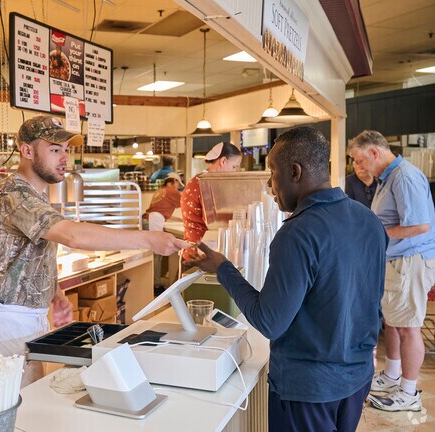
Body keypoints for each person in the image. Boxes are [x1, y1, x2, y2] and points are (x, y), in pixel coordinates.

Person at [187, 127, 388, 431]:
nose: (270, 185)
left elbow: (270, 321)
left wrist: (223, 268)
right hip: (357, 379)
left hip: (308, 391)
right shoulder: (368, 220)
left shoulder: (298, 233)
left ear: (294, 172)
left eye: (272, 173)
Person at [0, 115, 189, 386]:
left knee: (28, 400)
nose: (64, 158)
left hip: (27, 316)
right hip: (3, 319)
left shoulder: (37, 193)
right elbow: (71, 235)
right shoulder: (11, 193)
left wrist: (55, 291)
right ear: (26, 151)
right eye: (54, 150)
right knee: (8, 405)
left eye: (66, 150)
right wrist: (148, 239)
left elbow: (30, 252)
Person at [348, 130, 435, 412]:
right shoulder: (389, 178)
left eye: (359, 161)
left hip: (410, 261)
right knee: (395, 322)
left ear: (374, 152)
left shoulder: (404, 177)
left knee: (409, 328)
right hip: (397, 261)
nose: (358, 168)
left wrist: (378, 235)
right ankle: (393, 374)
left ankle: (409, 392)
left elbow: (420, 225)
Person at [180, 142, 242, 259]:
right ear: (223, 161)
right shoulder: (207, 183)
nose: (234, 172)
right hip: (200, 252)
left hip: (196, 248)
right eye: (234, 167)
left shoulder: (201, 179)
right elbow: (215, 221)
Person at [143, 172, 184, 292]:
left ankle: (152, 283)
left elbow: (163, 212)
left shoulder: (159, 191)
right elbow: (187, 203)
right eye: (177, 184)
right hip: (153, 221)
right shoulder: (172, 191)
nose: (178, 187)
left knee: (153, 255)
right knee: (157, 255)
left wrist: (181, 219)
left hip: (147, 220)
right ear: (173, 182)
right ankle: (156, 285)